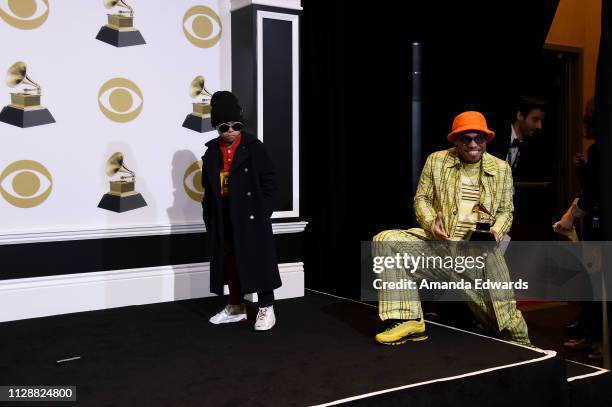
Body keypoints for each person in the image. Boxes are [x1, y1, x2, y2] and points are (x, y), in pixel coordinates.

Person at [373, 111, 531, 346]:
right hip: (439, 248)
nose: (473, 144)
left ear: (487, 140)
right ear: (455, 140)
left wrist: (496, 232)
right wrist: (430, 223)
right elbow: (422, 199)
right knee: (385, 241)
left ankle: (530, 354)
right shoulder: (437, 161)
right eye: (465, 138)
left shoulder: (501, 169)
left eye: (479, 138)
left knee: (506, 323)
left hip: (479, 256)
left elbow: (506, 210)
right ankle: (409, 319)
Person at [201, 91, 281, 331]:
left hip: (250, 213)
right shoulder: (211, 152)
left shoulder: (253, 147)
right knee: (230, 261)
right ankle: (235, 306)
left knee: (257, 258)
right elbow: (207, 187)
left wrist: (262, 210)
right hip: (224, 213)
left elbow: (270, 181)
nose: (231, 130)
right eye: (224, 126)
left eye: (236, 125)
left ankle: (266, 307)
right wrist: (210, 215)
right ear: (217, 127)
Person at [553, 98, 604, 359]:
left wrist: (571, 216)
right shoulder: (596, 153)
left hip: (599, 227)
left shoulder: (599, 149)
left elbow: (593, 194)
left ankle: (597, 340)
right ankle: (593, 336)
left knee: (597, 282)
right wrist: (585, 170)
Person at [490, 95, 547, 181]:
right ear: (520, 116)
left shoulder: (533, 146)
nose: (539, 126)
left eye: (541, 121)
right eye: (535, 120)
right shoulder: (495, 136)